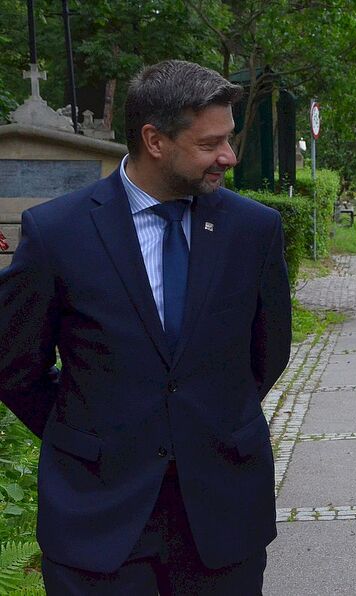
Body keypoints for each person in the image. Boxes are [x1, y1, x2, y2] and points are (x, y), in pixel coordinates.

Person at [0, 60, 292, 595]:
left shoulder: (253, 230)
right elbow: (15, 367)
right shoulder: (57, 232)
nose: (228, 157)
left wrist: (207, 423)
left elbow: (268, 352)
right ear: (154, 140)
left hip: (221, 512)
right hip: (98, 517)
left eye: (229, 139)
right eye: (210, 144)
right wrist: (93, 433)